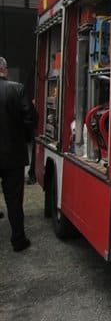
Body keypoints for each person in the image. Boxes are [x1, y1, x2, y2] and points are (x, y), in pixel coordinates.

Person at [0, 56, 35, 252]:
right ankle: (18, 240)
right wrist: (24, 138)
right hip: (13, 155)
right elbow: (29, 117)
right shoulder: (17, 88)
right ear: (4, 70)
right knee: (14, 199)